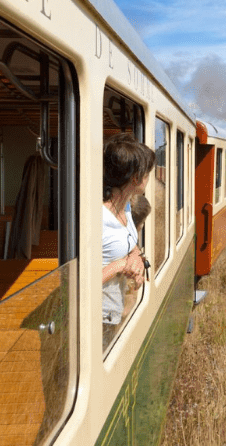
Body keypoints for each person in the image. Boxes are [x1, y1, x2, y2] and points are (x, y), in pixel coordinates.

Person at [102, 133, 155, 349]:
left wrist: (135, 254)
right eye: (147, 173)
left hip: (117, 310)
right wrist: (121, 265)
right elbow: (79, 283)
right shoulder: (98, 218)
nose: (149, 178)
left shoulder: (124, 207)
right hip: (99, 318)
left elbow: (128, 241)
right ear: (136, 179)